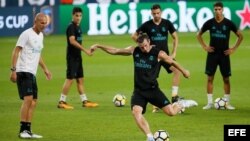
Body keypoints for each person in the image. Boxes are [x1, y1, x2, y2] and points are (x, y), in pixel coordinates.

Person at [91, 33, 197, 141]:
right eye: (141, 47)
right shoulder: (134, 50)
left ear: (149, 41)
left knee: (171, 113)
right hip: (139, 91)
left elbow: (172, 61)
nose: (144, 49)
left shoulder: (158, 54)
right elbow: (115, 50)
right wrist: (99, 46)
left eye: (146, 45)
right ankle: (149, 137)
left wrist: (184, 71)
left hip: (153, 90)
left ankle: (180, 104)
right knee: (136, 112)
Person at [132, 4, 182, 113]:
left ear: (161, 12)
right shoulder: (147, 25)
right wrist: (144, 45)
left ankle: (174, 96)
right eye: (154, 13)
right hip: (152, 57)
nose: (156, 15)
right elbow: (134, 36)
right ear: (151, 13)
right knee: (152, 79)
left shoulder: (167, 23)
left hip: (164, 56)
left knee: (177, 71)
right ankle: (156, 104)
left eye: (158, 13)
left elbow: (175, 37)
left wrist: (174, 52)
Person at [10, 13, 52, 139]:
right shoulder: (26, 34)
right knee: (28, 99)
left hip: (32, 72)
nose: (44, 25)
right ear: (36, 21)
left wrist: (45, 69)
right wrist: (13, 70)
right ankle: (22, 130)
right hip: (23, 70)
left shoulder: (41, 36)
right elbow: (16, 50)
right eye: (41, 23)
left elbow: (38, 54)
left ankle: (28, 130)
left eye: (45, 23)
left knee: (34, 101)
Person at [196, 1, 243, 110]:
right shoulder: (209, 23)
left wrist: (233, 48)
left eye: (219, 9)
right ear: (214, 10)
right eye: (216, 9)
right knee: (209, 78)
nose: (217, 11)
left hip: (224, 55)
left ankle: (227, 103)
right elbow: (198, 34)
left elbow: (240, 36)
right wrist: (204, 46)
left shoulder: (228, 23)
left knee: (226, 79)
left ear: (223, 10)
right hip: (212, 55)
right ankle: (209, 103)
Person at [57, 7, 98, 109]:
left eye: (80, 16)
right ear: (72, 15)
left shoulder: (78, 27)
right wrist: (85, 50)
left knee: (80, 79)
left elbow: (78, 41)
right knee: (70, 79)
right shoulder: (71, 27)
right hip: (72, 57)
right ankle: (61, 101)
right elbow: (72, 41)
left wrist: (84, 50)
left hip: (77, 57)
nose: (78, 18)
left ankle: (84, 101)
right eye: (76, 16)